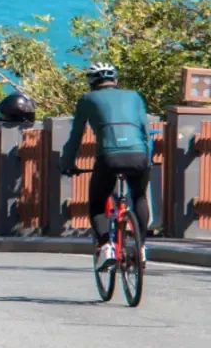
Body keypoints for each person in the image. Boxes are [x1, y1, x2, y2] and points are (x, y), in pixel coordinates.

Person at [59, 62, 152, 269]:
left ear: (91, 83)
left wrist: (67, 163)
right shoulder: (135, 96)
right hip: (139, 156)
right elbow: (146, 131)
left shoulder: (87, 99)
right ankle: (141, 247)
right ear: (115, 80)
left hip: (109, 157)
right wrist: (149, 159)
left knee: (97, 203)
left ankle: (105, 246)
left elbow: (76, 137)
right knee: (138, 196)